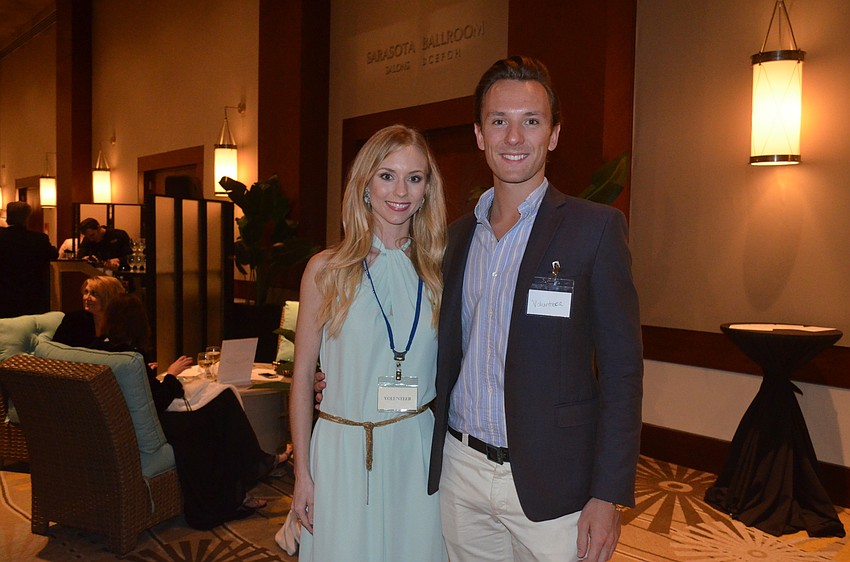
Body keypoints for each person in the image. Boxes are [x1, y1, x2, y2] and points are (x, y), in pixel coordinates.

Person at [288, 124, 448, 561]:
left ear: (426, 190)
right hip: (341, 450)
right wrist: (302, 474)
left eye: (414, 178)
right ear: (364, 184)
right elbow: (302, 379)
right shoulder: (326, 270)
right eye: (387, 175)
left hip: (413, 446)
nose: (401, 191)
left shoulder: (439, 271)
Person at [92, 293, 291, 529]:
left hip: (124, 422)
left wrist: (148, 372)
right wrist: (172, 374)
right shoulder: (131, 358)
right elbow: (162, 398)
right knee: (220, 408)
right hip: (150, 427)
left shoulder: (102, 350)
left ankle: (253, 468)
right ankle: (248, 475)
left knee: (219, 404)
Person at [0, 201, 59, 318]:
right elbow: (54, 254)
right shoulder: (39, 239)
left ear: (8, 218)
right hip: (32, 297)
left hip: (3, 296)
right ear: (26, 219)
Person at [52, 275, 125, 347]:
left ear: (109, 297)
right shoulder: (73, 320)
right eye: (86, 292)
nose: (86, 297)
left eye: (94, 294)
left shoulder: (123, 322)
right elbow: (56, 349)